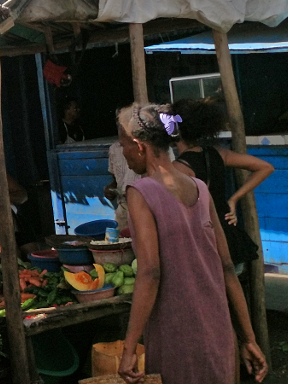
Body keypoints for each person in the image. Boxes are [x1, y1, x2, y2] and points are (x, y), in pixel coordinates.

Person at [115, 103, 267, 384]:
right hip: (218, 329)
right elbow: (227, 267)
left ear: (138, 145)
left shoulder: (141, 192)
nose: (123, 153)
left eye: (123, 145)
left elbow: (150, 272)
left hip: (178, 334)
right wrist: (248, 338)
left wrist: (129, 348)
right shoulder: (200, 187)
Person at [171, 99, 273, 274]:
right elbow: (265, 167)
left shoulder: (178, 168)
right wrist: (233, 199)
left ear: (176, 130)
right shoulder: (218, 153)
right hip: (230, 236)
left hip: (205, 243)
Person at [103, 141, 138, 235]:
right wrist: (110, 188)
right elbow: (115, 179)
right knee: (121, 245)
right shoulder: (114, 149)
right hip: (123, 208)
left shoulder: (149, 146)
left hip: (145, 206)